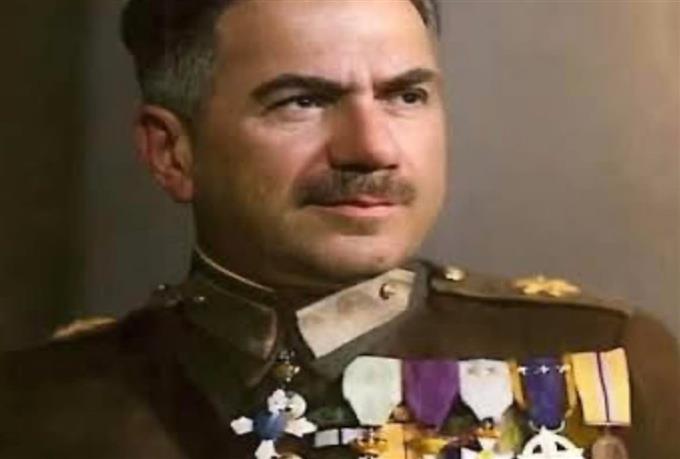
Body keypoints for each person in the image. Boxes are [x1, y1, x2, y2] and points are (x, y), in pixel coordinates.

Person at [0, 1, 677, 458]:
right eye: (303, 101)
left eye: (406, 95)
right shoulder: (35, 410)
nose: (371, 148)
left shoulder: (609, 361)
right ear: (170, 153)